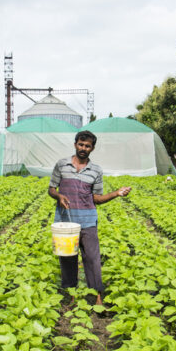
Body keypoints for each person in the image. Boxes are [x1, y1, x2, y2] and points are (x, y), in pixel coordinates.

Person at [48, 130, 131, 305]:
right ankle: (71, 295)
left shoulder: (96, 171)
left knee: (92, 258)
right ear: (75, 144)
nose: (83, 148)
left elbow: (96, 199)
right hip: (66, 222)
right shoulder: (61, 165)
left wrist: (116, 193)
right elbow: (51, 189)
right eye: (80, 144)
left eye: (87, 146)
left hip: (88, 221)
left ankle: (98, 297)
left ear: (92, 148)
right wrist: (59, 197)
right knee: (68, 259)